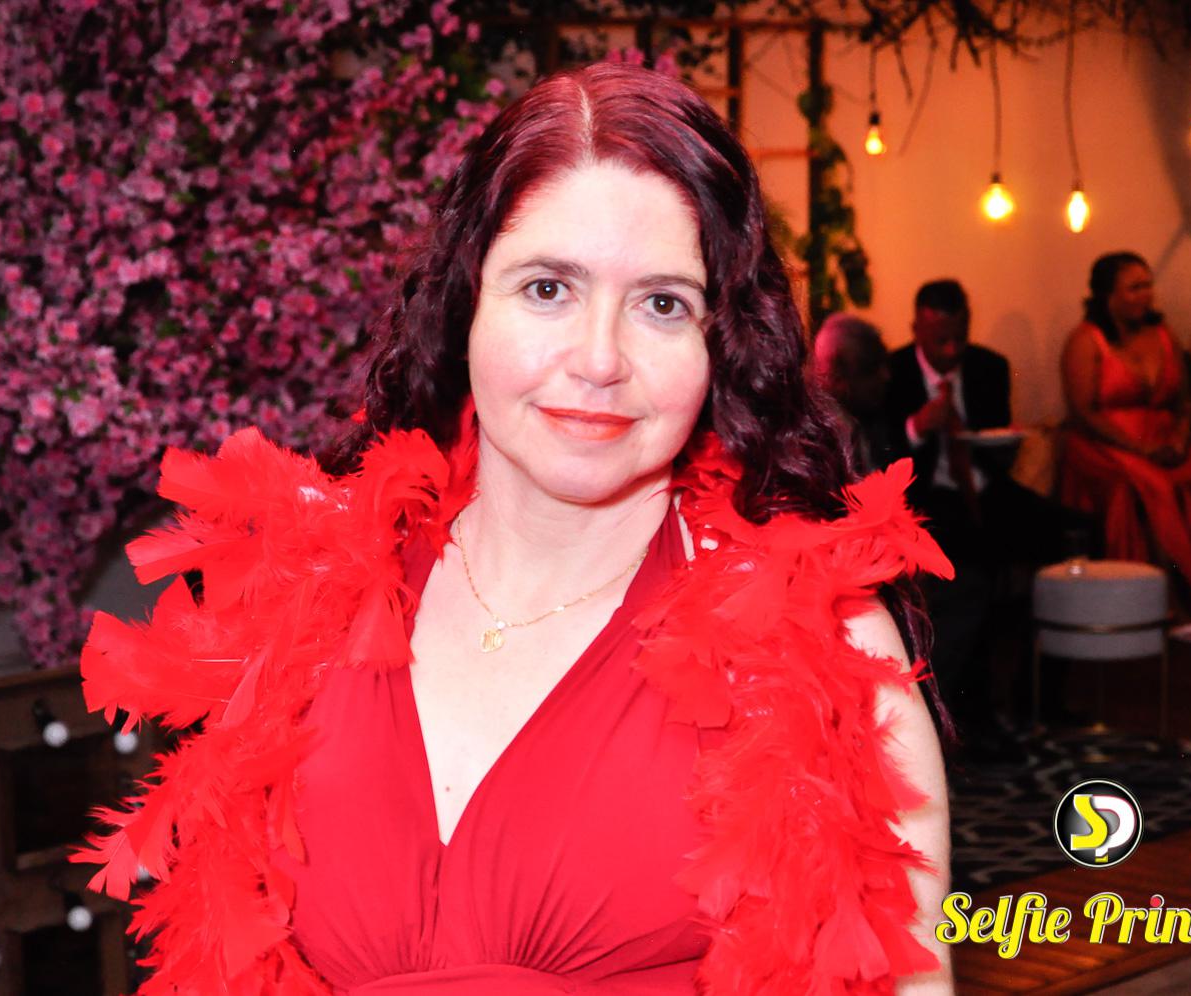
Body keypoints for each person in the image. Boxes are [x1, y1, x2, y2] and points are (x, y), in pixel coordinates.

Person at [74, 63, 954, 994]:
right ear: (465, 303)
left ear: (722, 342)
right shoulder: (307, 610)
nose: (599, 359)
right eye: (547, 289)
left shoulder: (825, 651)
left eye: (662, 303)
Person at [884, 280, 1081, 734]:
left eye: (961, 337)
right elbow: (884, 457)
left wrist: (1002, 445)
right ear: (917, 329)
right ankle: (972, 712)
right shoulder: (893, 373)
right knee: (972, 567)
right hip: (927, 498)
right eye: (941, 340)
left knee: (1070, 535)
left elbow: (996, 450)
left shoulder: (989, 366)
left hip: (985, 489)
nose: (952, 350)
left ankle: (1040, 694)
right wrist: (917, 427)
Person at [1058, 252, 1191, 640]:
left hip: (1162, 441)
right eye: (1135, 287)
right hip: (1105, 445)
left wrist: (1179, 438)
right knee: (1153, 489)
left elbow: (1185, 400)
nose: (1146, 295)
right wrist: (1139, 449)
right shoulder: (1085, 340)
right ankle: (1168, 606)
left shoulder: (1163, 334)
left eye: (1148, 285)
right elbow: (1083, 412)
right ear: (1108, 294)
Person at [810, 311, 893, 473]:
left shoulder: (868, 417)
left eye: (884, 364)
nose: (885, 376)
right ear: (836, 376)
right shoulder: (819, 440)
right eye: (870, 368)